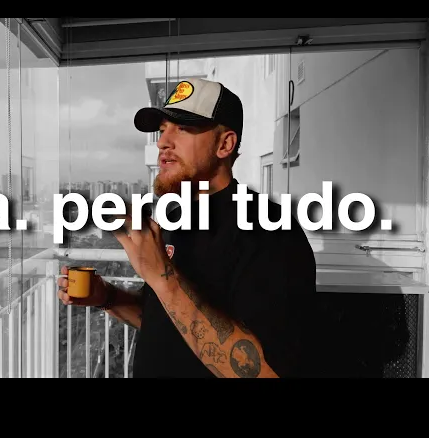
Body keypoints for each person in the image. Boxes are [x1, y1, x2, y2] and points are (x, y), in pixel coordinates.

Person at [57, 78, 319, 378]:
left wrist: (162, 276)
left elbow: (268, 371)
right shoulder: (177, 216)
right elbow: (167, 317)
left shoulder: (271, 231)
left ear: (224, 144)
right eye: (163, 129)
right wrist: (107, 297)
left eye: (182, 128)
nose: (162, 142)